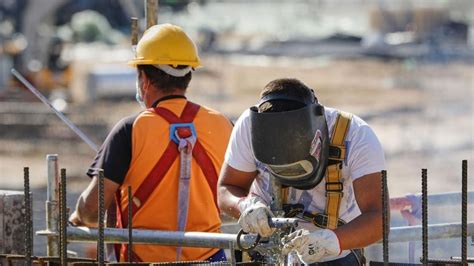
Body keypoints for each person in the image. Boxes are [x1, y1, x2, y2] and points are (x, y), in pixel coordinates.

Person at [69, 23, 233, 263]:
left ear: (144, 78)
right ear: (188, 74)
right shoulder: (222, 124)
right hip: (211, 260)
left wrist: (78, 218)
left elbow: (92, 208)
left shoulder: (130, 130)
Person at [218, 78, 386, 265]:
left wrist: (329, 241)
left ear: (317, 134)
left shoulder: (355, 136)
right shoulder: (249, 127)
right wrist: (246, 206)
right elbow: (227, 188)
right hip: (266, 249)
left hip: (334, 256)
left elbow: (379, 217)